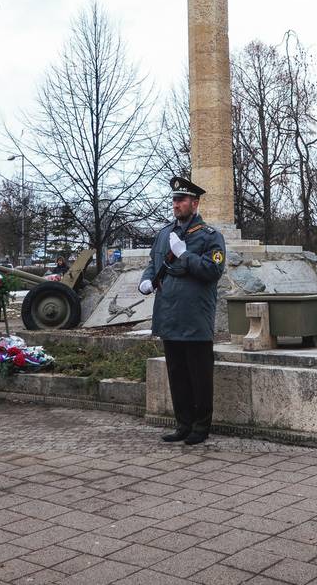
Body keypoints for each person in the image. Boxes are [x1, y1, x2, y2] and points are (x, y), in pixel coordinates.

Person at [139, 176, 227, 446]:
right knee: (176, 373)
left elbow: (213, 271)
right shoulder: (165, 233)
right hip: (169, 314)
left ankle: (201, 426)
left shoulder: (210, 236)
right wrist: (146, 279)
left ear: (195, 202)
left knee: (199, 375)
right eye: (174, 200)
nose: (176, 204)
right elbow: (154, 263)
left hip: (195, 316)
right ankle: (183, 424)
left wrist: (185, 255)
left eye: (181, 200)